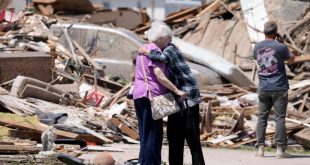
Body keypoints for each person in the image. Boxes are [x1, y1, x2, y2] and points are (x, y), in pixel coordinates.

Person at [138, 21, 205, 165]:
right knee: (174, 135)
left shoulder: (169, 49)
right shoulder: (166, 47)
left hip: (188, 97)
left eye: (157, 40)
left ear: (163, 39)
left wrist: (147, 52)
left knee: (192, 137)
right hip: (178, 97)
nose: (155, 43)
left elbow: (163, 59)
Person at [133, 23, 187, 165]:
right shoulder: (154, 50)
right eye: (168, 39)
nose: (170, 42)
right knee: (153, 134)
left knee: (145, 134)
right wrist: (176, 90)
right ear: (161, 38)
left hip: (139, 93)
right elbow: (159, 75)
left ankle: (143, 161)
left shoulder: (143, 49)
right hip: (151, 95)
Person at [254, 21, 295, 158]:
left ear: (264, 32)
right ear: (276, 32)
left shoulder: (257, 47)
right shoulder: (281, 46)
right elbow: (291, 60)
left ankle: (260, 149)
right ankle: (280, 150)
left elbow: (259, 61)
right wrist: (284, 44)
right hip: (279, 87)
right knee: (279, 119)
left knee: (262, 118)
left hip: (264, 87)